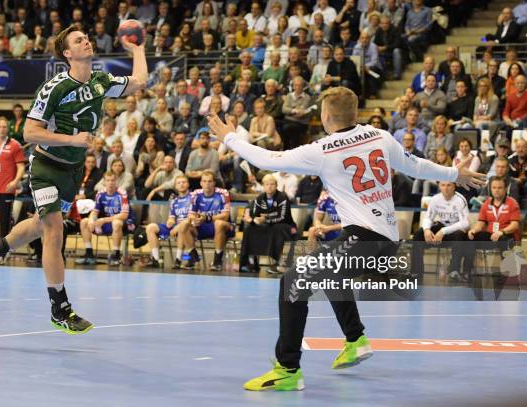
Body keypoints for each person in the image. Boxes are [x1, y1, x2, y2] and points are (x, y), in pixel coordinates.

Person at [206, 86, 485, 391]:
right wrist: (452, 174)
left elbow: (268, 159)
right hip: (386, 240)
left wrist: (230, 138)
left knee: (293, 282)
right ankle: (355, 339)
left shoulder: (323, 150)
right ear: (354, 113)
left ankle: (287, 369)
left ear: (326, 116)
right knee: (330, 274)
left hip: (364, 239)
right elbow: (414, 165)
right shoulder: (378, 135)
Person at [0, 25, 147, 334]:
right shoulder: (53, 87)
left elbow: (140, 82)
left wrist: (138, 50)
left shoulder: (100, 81)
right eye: (79, 40)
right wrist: (72, 139)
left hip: (73, 169)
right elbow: (29, 133)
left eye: (86, 37)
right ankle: (60, 308)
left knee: (42, 226)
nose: (87, 41)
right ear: (68, 53)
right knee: (54, 229)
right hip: (46, 166)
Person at [464, 176, 520, 281]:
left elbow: (514, 225)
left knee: (504, 240)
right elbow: (481, 223)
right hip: (491, 235)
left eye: (499, 188)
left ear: (505, 189)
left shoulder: (512, 203)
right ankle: (467, 271)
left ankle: (507, 274)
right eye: (494, 187)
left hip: (507, 235)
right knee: (471, 238)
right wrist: (474, 230)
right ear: (490, 189)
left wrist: (501, 232)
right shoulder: (486, 204)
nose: (496, 190)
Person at [410, 181, 469, 282]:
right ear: (439, 186)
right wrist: (427, 230)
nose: (446, 188)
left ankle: (454, 271)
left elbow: (465, 223)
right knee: (419, 234)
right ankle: (416, 272)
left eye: (449, 185)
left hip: (454, 230)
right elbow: (428, 218)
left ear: (454, 186)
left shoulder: (460, 199)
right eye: (443, 185)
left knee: (459, 234)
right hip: (441, 229)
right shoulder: (435, 199)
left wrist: (443, 231)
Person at [176, 170, 233, 270]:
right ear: (201, 183)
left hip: (222, 227)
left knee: (219, 223)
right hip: (202, 226)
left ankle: (217, 260)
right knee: (184, 224)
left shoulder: (223, 193)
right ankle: (193, 257)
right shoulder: (195, 194)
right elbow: (190, 214)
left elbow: (226, 216)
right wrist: (196, 219)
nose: (207, 184)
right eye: (205, 181)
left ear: (214, 183)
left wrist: (207, 218)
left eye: (210, 181)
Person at [239, 174, 294, 274]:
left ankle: (279, 263)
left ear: (276, 185)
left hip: (287, 226)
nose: (269, 186)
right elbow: (254, 213)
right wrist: (250, 218)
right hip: (269, 225)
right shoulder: (260, 198)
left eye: (272, 184)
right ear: (263, 186)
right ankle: (251, 262)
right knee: (250, 229)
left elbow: (283, 217)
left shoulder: (282, 197)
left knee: (277, 228)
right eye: (267, 184)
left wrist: (266, 220)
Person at [77, 172, 134, 266]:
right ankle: (89, 254)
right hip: (105, 223)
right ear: (104, 182)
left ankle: (116, 255)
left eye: (112, 180)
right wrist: (91, 220)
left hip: (122, 223)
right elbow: (95, 211)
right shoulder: (100, 194)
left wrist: (103, 220)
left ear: (116, 181)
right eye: (108, 180)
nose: (110, 183)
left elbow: (124, 215)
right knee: (84, 222)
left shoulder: (122, 193)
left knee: (116, 223)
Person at [145, 175, 192, 269]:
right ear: (175, 186)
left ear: (188, 184)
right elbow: (172, 217)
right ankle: (155, 259)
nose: (181, 184)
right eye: (179, 183)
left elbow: (192, 217)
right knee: (150, 227)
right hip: (175, 226)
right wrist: (170, 221)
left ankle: (178, 260)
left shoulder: (193, 197)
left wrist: (178, 226)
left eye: (183, 182)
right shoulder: (174, 201)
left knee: (182, 227)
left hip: (188, 226)